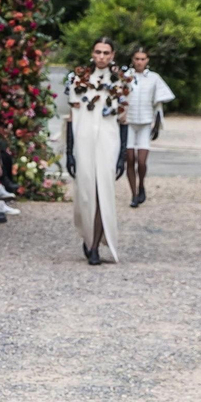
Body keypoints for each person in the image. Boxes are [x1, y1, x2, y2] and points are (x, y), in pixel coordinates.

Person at [65, 38, 130, 265]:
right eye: (98, 52)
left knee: (104, 190)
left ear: (113, 55)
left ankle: (95, 246)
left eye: (106, 53)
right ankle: (88, 235)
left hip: (108, 141)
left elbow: (123, 121)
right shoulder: (77, 81)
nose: (101, 56)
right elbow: (71, 118)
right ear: (92, 54)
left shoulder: (120, 83)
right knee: (85, 191)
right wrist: (68, 153)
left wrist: (122, 154)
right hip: (83, 141)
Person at [123, 47, 175, 207]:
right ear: (133, 59)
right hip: (129, 121)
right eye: (137, 58)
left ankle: (141, 184)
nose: (139, 62)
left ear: (147, 60)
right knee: (130, 158)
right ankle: (133, 194)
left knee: (142, 160)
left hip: (145, 121)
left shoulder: (153, 78)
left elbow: (159, 100)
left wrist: (157, 123)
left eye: (142, 59)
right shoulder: (126, 77)